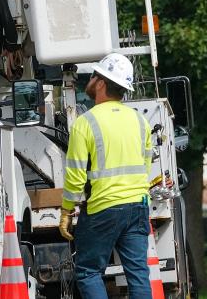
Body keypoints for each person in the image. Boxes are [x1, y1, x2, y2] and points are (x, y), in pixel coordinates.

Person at [59, 53, 153, 299]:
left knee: (89, 272)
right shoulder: (141, 121)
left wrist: (66, 211)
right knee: (139, 274)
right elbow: (145, 165)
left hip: (103, 208)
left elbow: (75, 176)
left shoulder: (86, 122)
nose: (89, 80)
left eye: (93, 76)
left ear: (101, 83)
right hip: (138, 207)